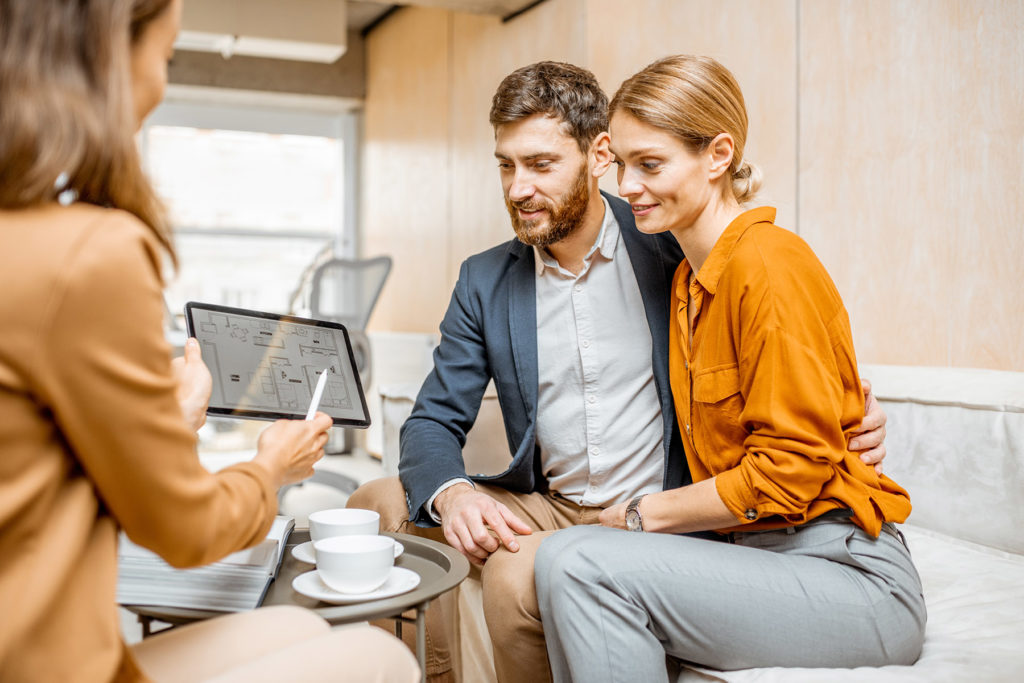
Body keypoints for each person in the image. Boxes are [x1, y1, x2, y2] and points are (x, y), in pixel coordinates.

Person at [348, 61, 890, 683]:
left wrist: (856, 409)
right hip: (553, 501)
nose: (518, 187)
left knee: (513, 573)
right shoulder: (485, 280)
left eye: (541, 164)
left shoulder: (670, 243)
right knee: (378, 503)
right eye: (506, 165)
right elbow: (431, 421)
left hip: (663, 504)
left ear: (597, 154)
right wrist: (455, 493)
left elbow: (777, 338)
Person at [0, 1, 419, 681]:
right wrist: (272, 468)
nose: (159, 87)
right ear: (111, 58)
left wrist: (170, 416)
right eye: (164, 59)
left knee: (297, 623)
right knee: (383, 655)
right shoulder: (92, 254)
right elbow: (183, 531)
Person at [533, 55, 927, 682]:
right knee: (563, 558)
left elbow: (790, 472)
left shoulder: (768, 264)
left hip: (849, 576)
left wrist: (642, 514)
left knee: (579, 561)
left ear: (719, 155)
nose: (629, 185)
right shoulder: (689, 279)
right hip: (760, 558)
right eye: (623, 164)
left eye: (652, 164)